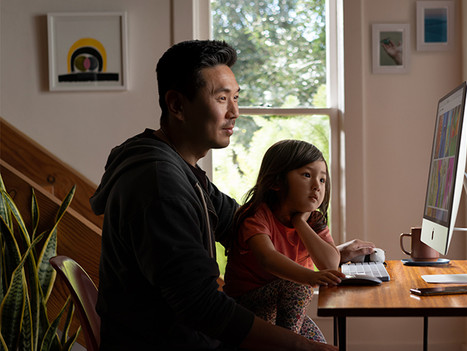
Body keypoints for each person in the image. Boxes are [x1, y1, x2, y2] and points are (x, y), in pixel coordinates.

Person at [90, 39, 339, 350]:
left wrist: (308, 229)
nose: (234, 112)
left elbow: (241, 225)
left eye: (235, 98)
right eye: (222, 98)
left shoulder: (182, 169)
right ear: (177, 105)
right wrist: (301, 347)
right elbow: (202, 306)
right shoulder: (159, 183)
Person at [224, 140, 343, 343]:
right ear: (276, 182)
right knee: (298, 286)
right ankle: (288, 345)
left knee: (319, 346)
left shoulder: (312, 220)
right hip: (247, 305)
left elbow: (331, 263)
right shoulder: (256, 214)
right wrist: (310, 278)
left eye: (322, 180)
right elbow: (267, 258)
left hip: (282, 303)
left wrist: (300, 223)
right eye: (307, 175)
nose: (317, 186)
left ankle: (289, 342)